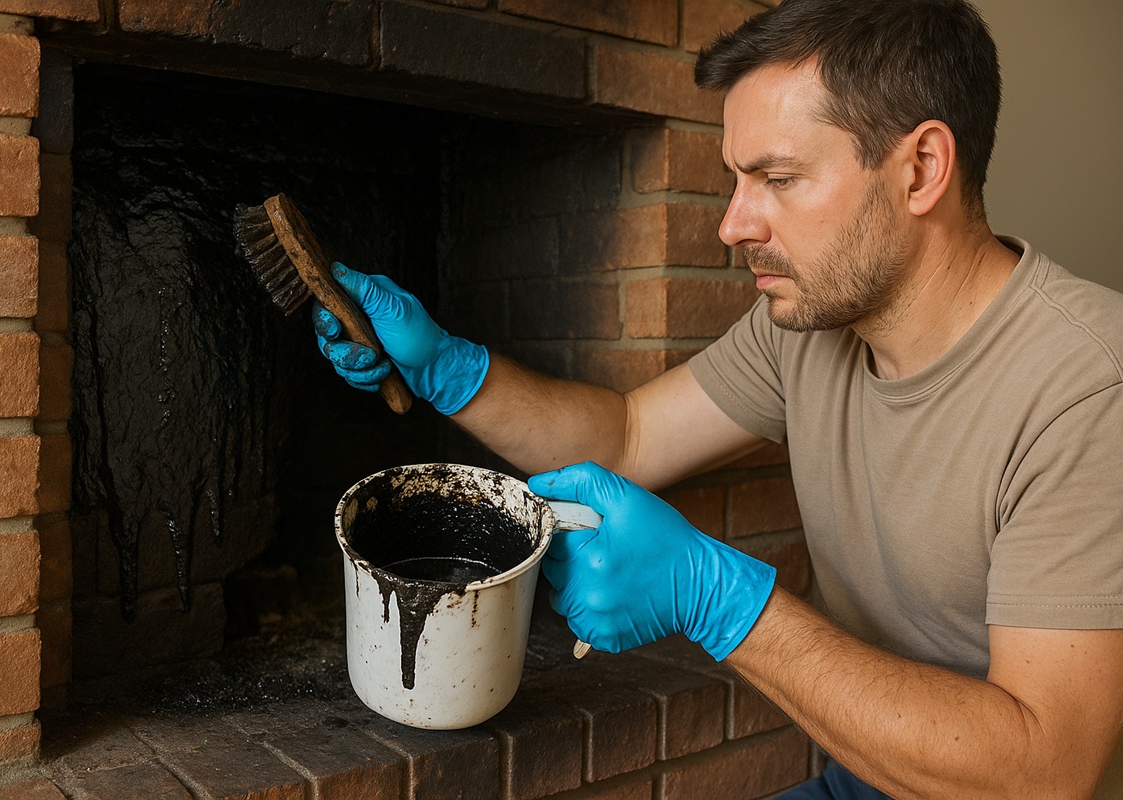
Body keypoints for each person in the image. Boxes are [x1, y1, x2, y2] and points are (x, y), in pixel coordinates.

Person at [311, 0, 1123, 796]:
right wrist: (448, 368)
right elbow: (628, 437)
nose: (733, 224)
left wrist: (722, 598)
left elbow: (1045, 774)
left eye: (777, 178)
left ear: (921, 169)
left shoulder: (1089, 388)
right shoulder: (808, 328)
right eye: (737, 180)